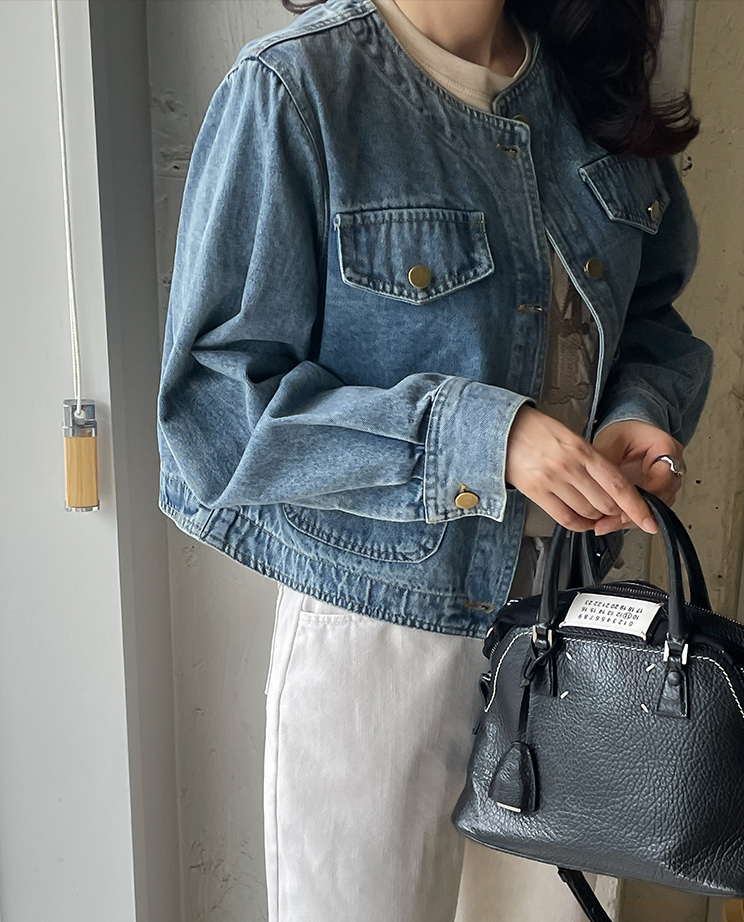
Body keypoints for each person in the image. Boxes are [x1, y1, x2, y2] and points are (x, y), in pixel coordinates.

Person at [155, 0, 714, 919]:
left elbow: (654, 318)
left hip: (575, 630)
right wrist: (486, 437)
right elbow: (214, 409)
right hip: (378, 631)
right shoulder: (296, 90)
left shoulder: (588, 77)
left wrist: (638, 413)